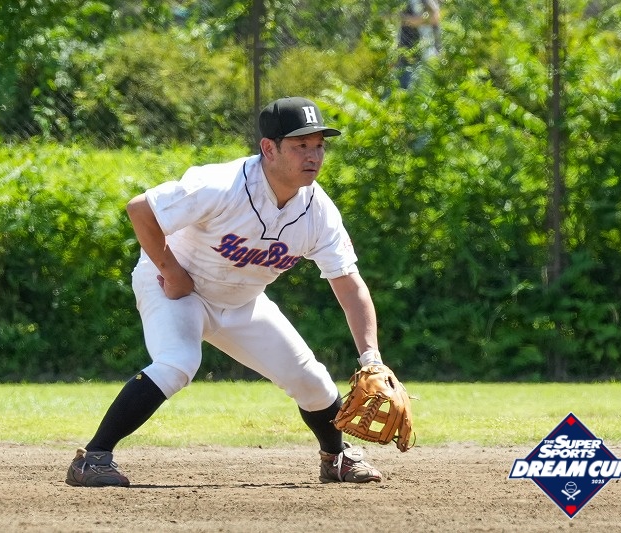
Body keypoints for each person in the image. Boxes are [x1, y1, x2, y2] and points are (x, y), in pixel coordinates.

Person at [65, 96, 388, 487]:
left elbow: (349, 285)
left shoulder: (318, 211)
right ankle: (93, 458)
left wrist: (371, 357)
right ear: (269, 148)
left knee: (312, 381)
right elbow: (141, 209)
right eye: (300, 145)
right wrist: (171, 270)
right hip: (176, 289)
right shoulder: (223, 184)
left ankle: (336, 458)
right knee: (178, 362)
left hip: (241, 302)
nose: (313, 155)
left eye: (319, 145)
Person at [397, 0, 442, 89]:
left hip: (425, 56)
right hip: (405, 56)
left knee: (421, 90)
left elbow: (435, 17)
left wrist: (410, 20)